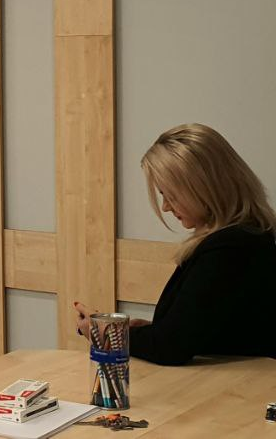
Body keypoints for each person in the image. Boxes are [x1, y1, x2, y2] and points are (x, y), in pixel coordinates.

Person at [74, 124, 276, 365]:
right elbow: (215, 331)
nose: (166, 207)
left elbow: (169, 347)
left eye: (170, 195)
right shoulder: (250, 237)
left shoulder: (229, 249)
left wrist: (106, 333)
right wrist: (149, 331)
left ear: (202, 188)